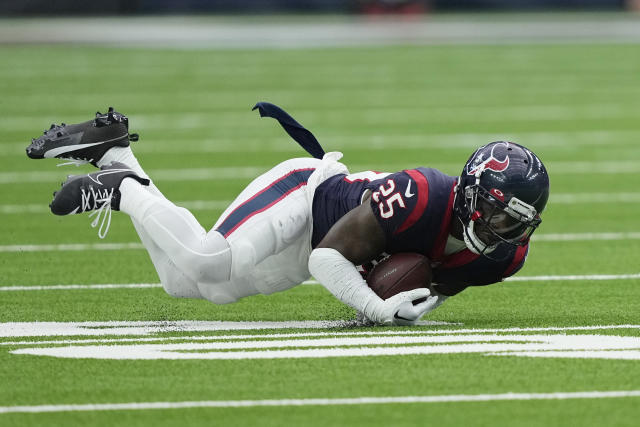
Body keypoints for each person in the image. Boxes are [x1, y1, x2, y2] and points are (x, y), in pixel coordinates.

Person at [26, 104, 549, 326]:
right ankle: (125, 190)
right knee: (209, 262)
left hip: (318, 249)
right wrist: (373, 307)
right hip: (307, 198)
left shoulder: (503, 258)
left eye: (516, 223)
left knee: (185, 283)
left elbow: (429, 283)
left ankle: (119, 159)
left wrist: (409, 306)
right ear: (471, 195)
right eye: (498, 214)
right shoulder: (421, 193)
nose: (503, 231)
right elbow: (329, 257)